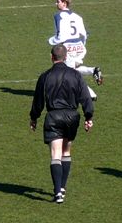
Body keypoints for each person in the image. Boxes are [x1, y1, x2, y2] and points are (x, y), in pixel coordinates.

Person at [29, 44, 94, 204]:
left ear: (52, 57)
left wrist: (34, 117)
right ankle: (63, 187)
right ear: (66, 57)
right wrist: (88, 117)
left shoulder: (45, 77)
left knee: (55, 154)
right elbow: (85, 97)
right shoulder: (76, 75)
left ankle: (57, 191)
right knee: (66, 151)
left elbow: (38, 101)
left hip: (54, 116)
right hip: (72, 117)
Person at [48, 0, 103, 100]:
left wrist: (51, 41)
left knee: (69, 73)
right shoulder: (77, 16)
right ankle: (93, 70)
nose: (56, 3)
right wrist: (82, 46)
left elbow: (60, 35)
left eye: (58, 2)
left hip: (68, 47)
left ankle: (90, 94)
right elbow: (84, 34)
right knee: (73, 69)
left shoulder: (58, 16)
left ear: (64, 3)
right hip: (80, 46)